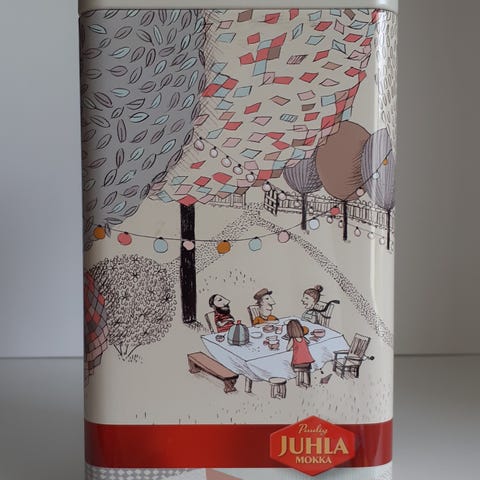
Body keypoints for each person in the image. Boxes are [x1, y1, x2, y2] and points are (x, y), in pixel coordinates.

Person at [286, 319, 315, 388]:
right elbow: (308, 342)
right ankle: (307, 383)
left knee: (298, 371)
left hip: (298, 363)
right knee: (306, 371)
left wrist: (294, 348)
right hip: (307, 362)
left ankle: (299, 383)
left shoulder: (293, 340)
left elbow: (287, 349)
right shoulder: (304, 338)